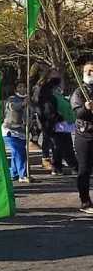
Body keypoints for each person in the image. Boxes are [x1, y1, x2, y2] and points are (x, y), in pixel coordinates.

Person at [35, 74, 75, 175]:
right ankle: (70, 166)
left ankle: (60, 167)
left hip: (63, 124)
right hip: (55, 124)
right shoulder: (48, 95)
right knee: (62, 147)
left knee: (61, 147)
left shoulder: (57, 94)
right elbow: (47, 110)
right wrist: (57, 117)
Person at [72, 61, 93, 214]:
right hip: (84, 135)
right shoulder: (79, 92)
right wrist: (86, 108)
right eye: (88, 71)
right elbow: (77, 112)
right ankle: (85, 201)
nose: (91, 74)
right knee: (84, 169)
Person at [3, 82, 31, 182]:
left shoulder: (29, 99)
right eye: (20, 87)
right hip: (11, 130)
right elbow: (12, 107)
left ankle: (13, 173)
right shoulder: (12, 99)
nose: (22, 88)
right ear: (16, 89)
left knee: (16, 153)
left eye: (24, 86)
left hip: (22, 131)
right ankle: (22, 175)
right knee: (20, 153)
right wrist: (23, 103)